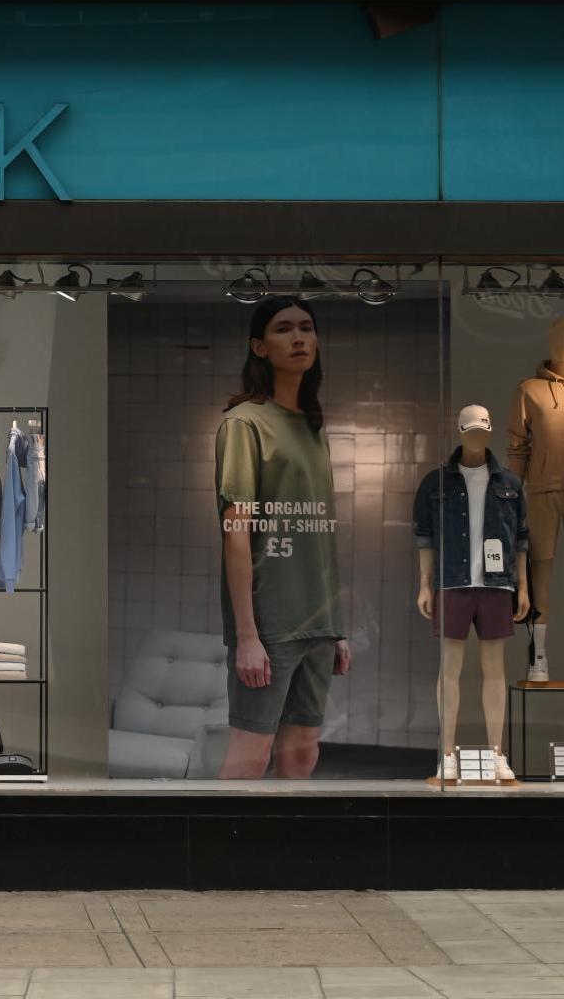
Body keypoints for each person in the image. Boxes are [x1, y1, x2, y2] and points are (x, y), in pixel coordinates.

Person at [214, 297, 350, 779]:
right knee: (251, 752)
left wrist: (334, 624)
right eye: (284, 329)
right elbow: (236, 534)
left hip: (317, 621)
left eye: (307, 328)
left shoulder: (314, 427)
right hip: (270, 626)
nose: (299, 338)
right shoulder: (244, 423)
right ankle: (221, 852)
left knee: (302, 751)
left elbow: (319, 532)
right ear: (259, 346)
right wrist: (247, 636)